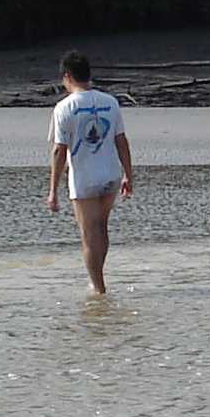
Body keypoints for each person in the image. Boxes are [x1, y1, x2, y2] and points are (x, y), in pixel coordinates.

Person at [45, 51, 134, 291]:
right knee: (101, 228)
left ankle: (98, 287)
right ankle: (98, 278)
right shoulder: (110, 102)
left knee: (88, 234)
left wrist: (53, 191)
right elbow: (122, 141)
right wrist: (128, 175)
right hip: (110, 175)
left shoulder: (64, 107)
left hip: (84, 178)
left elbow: (59, 151)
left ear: (67, 76)